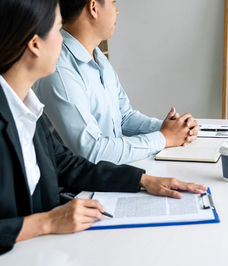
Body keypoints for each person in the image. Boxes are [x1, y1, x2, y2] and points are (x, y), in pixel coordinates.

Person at [0, 0, 206, 255]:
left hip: (42, 251)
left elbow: (66, 165)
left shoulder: (29, 107)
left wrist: (142, 180)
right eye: (57, 29)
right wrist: (46, 222)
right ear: (34, 44)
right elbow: (88, 153)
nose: (63, 40)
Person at [34, 0, 200, 165]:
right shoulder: (59, 69)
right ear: (93, 7)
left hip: (109, 176)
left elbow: (124, 117)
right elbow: (91, 151)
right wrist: (164, 138)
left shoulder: (98, 57)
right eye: (113, 3)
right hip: (78, 189)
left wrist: (173, 128)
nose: (117, 11)